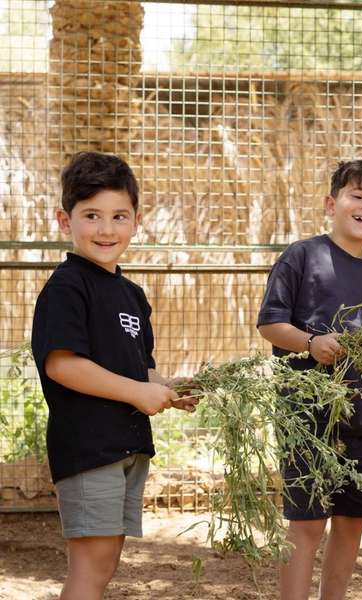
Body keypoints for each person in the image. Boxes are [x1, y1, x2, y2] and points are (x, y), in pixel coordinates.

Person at [31, 151, 199, 600]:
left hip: (126, 445)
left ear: (136, 221)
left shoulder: (131, 294)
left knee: (104, 566)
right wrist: (137, 393)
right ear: (65, 221)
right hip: (88, 446)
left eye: (118, 216)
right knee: (89, 569)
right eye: (92, 216)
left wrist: (168, 389)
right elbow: (61, 364)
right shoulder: (67, 287)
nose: (106, 229)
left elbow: (138, 367)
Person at [257, 160, 362, 600]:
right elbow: (270, 324)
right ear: (331, 202)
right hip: (307, 414)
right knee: (306, 524)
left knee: (352, 521)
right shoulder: (303, 256)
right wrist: (310, 343)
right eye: (357, 195)